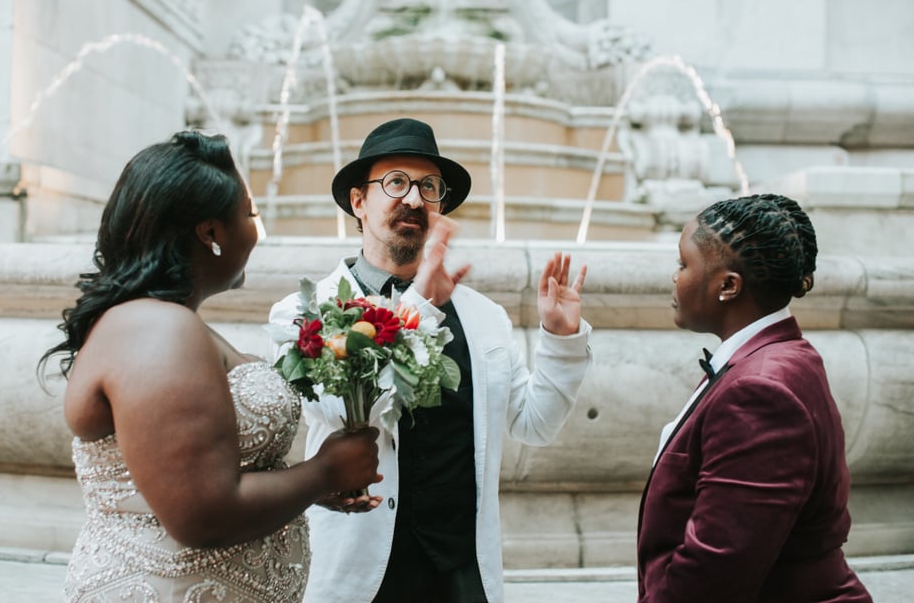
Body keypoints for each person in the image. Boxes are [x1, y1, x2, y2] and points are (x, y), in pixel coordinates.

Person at [39, 131, 381, 603]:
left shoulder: (162, 322)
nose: (256, 231)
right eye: (250, 214)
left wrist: (298, 488)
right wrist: (323, 472)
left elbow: (194, 472)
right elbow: (200, 515)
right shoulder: (159, 329)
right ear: (211, 233)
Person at [268, 118, 593, 603]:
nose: (415, 199)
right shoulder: (303, 311)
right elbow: (342, 416)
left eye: (429, 187)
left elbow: (534, 425)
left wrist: (560, 339)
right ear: (359, 201)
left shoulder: (486, 317)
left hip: (462, 576)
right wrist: (421, 305)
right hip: (361, 572)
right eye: (396, 182)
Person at [637, 193, 872, 603]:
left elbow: (715, 569)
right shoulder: (778, 356)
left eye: (683, 264)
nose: (675, 277)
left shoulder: (759, 391)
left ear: (728, 285)